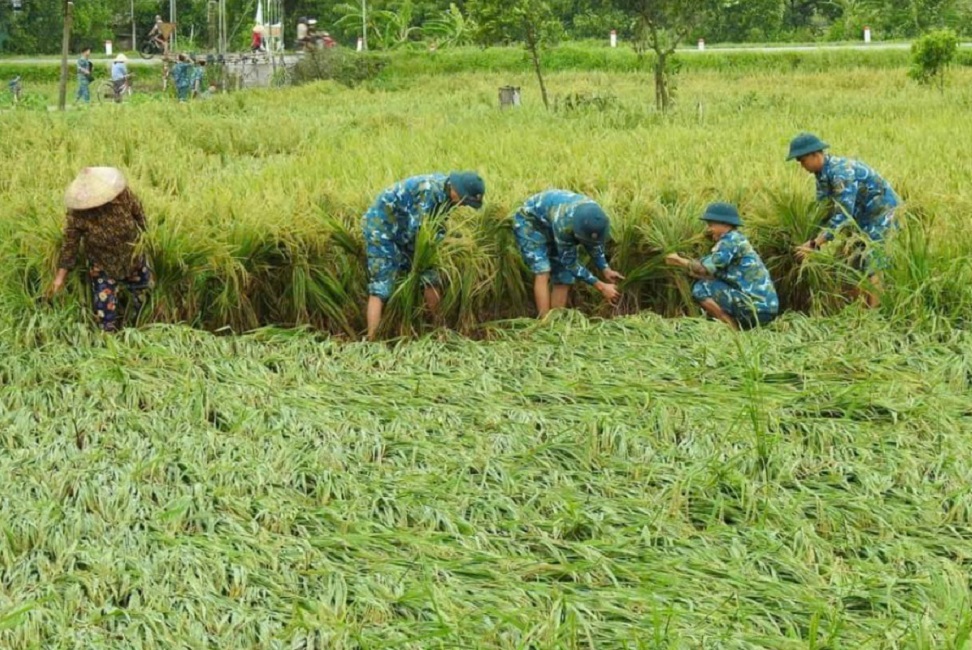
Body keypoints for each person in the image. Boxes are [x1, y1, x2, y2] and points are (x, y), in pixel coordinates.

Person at [363, 171, 486, 339]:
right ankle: (372, 339)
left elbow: (435, 225)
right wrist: (448, 243)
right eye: (465, 201)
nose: (464, 205)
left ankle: (438, 329)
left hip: (407, 230)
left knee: (430, 277)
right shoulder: (430, 192)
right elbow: (421, 231)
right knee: (382, 285)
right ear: (458, 190)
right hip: (383, 229)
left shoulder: (448, 195)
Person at [787, 132, 901, 308]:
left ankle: (874, 314)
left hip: (881, 215)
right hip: (861, 218)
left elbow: (842, 214)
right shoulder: (822, 175)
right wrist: (809, 237)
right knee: (852, 262)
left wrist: (815, 244)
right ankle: (859, 310)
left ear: (815, 155)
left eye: (802, 161)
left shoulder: (841, 172)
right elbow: (824, 210)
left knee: (872, 263)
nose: (802, 166)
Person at [48, 167, 153, 332]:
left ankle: (139, 330)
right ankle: (109, 343)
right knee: (105, 310)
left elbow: (139, 215)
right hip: (102, 263)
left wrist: (148, 240)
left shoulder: (122, 195)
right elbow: (70, 245)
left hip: (132, 257)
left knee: (142, 297)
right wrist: (60, 278)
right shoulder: (78, 213)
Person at [665, 202, 778, 330]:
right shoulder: (736, 239)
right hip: (765, 308)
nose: (708, 229)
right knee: (708, 281)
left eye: (711, 225)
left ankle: (732, 329)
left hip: (756, 308)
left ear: (725, 224)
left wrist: (678, 260)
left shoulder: (730, 242)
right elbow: (708, 270)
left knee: (701, 288)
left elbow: (703, 269)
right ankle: (740, 327)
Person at [511, 190, 623, 317]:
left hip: (551, 223)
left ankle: (556, 322)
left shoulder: (596, 217)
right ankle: (544, 324)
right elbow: (570, 262)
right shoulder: (565, 224)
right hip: (531, 223)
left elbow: (593, 243)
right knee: (543, 270)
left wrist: (605, 269)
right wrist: (601, 286)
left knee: (564, 276)